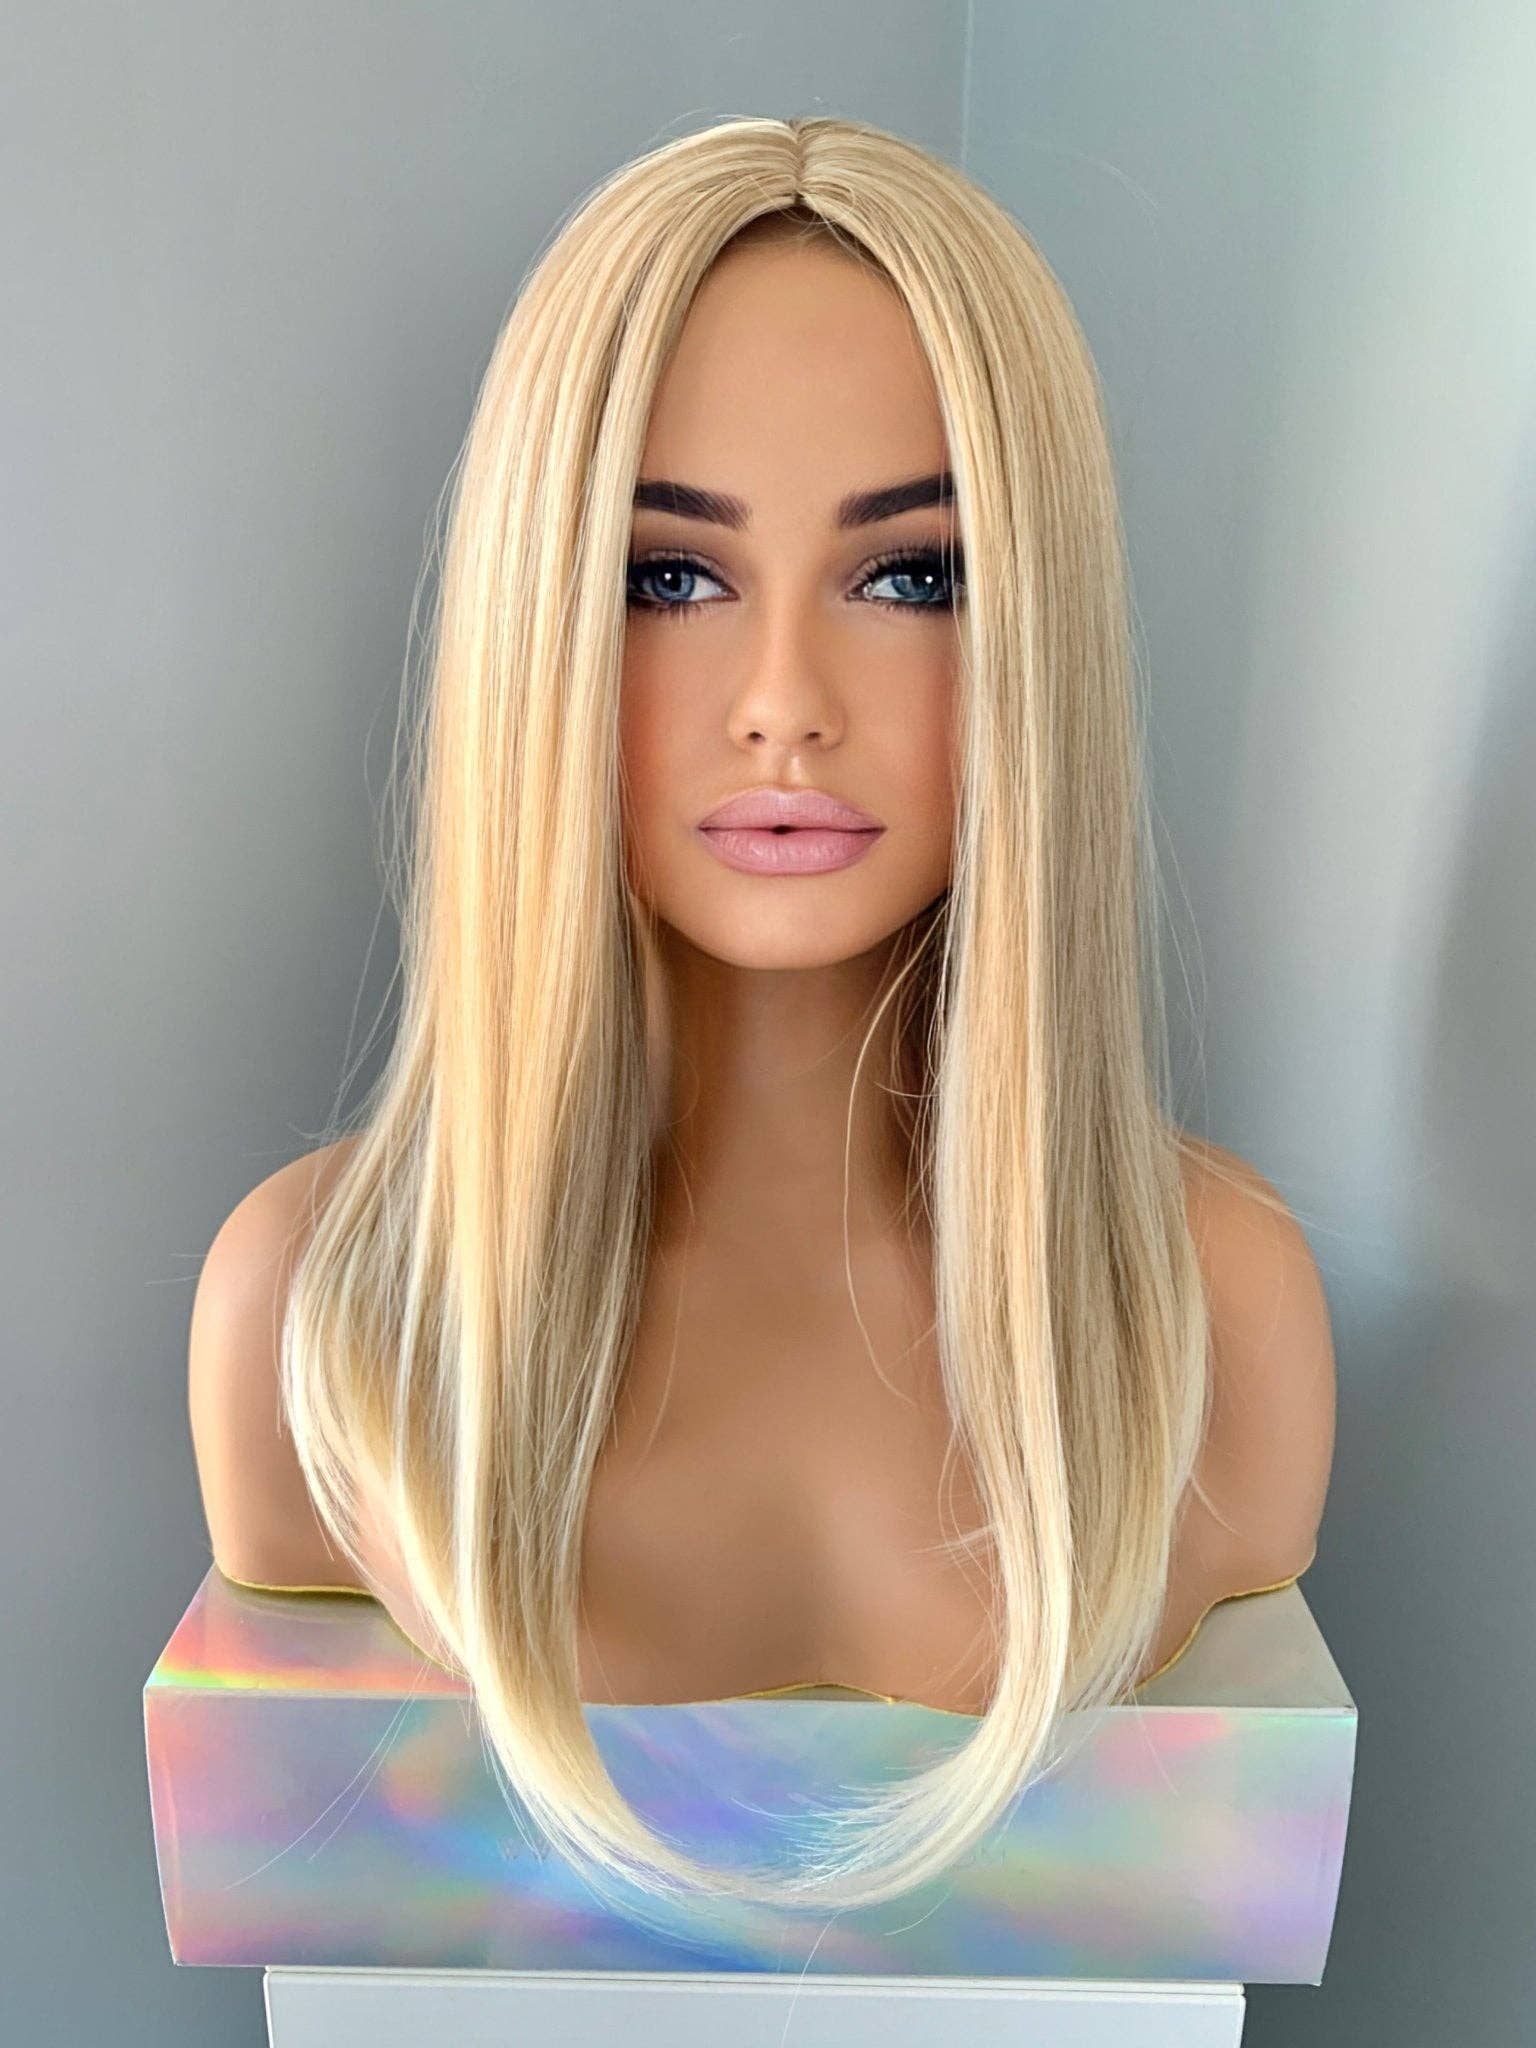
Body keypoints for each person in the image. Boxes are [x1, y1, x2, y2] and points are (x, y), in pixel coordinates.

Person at [187, 115, 1335, 1911]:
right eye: (668, 577)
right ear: (538, 622)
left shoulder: (1215, 1308)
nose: (783, 702)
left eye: (912, 576)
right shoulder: (324, 1316)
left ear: (1035, 632)